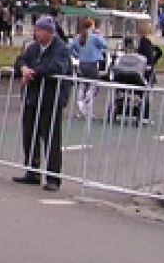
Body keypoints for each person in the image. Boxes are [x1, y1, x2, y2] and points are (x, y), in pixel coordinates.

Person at [13, 15, 72, 191]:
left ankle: (53, 178)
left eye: (39, 30)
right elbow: (20, 60)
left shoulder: (60, 48)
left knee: (51, 139)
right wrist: (23, 68)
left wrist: (33, 72)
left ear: (48, 32)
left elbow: (56, 67)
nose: (35, 33)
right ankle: (32, 171)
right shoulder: (33, 48)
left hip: (51, 99)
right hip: (32, 97)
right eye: (36, 29)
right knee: (29, 134)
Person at [68, 18, 108, 119]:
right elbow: (104, 45)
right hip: (92, 63)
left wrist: (76, 55)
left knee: (83, 85)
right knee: (94, 86)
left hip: (82, 63)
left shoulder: (78, 37)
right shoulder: (94, 37)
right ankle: (86, 107)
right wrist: (99, 34)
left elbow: (70, 48)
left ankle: (81, 106)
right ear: (91, 26)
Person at [136, 19, 162, 123]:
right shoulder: (150, 42)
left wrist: (149, 64)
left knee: (143, 93)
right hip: (149, 70)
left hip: (145, 71)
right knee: (145, 93)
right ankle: (145, 115)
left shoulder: (144, 42)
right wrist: (153, 63)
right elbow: (159, 52)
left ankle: (144, 115)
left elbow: (146, 57)